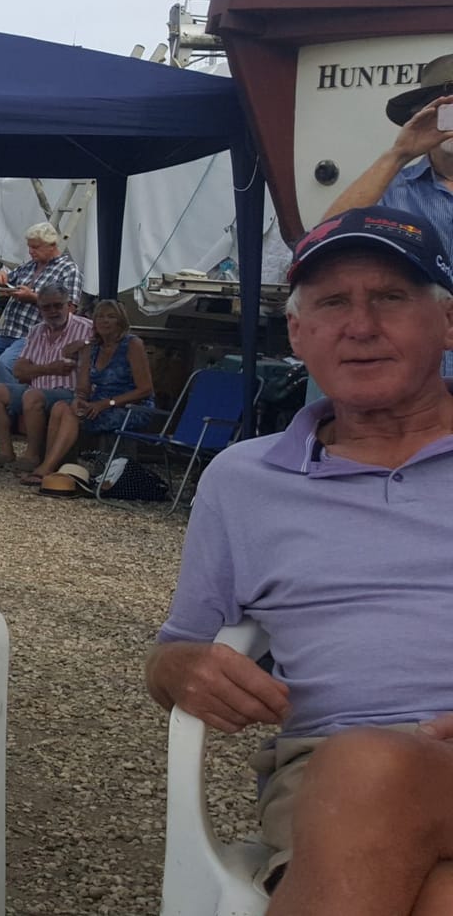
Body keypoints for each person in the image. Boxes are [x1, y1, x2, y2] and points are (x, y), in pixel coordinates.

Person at [147, 205, 453, 913]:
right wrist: (182, 669)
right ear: (297, 332)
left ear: (447, 321)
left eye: (390, 297)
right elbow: (173, 653)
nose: (360, 326)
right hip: (326, 777)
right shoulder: (243, 481)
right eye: (332, 302)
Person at [320, 54, 453, 376]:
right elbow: (323, 241)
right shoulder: (389, 190)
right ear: (421, 115)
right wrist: (398, 154)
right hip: (416, 376)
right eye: (446, 110)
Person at [21, 299, 153, 486]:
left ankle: (46, 469)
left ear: (121, 321)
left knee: (71, 415)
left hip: (129, 405)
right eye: (100, 317)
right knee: (61, 407)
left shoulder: (132, 344)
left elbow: (145, 389)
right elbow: (83, 388)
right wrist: (79, 399)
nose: (105, 321)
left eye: (111, 317)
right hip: (98, 403)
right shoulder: (92, 347)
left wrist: (106, 404)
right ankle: (52, 467)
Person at [0, 222, 82, 426]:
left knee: (5, 363)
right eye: (29, 247)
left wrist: (34, 297)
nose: (31, 251)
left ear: (51, 245)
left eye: (35, 247)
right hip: (9, 330)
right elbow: (5, 282)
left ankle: (15, 416)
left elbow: (69, 309)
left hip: (33, 334)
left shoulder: (68, 270)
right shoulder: (29, 266)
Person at [0, 285, 90, 469]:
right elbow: (19, 371)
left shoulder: (86, 329)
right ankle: (5, 452)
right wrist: (50, 368)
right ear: (39, 309)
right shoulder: (37, 330)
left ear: (69, 306)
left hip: (68, 392)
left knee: (32, 396)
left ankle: (32, 455)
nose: (52, 311)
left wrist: (85, 344)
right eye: (46, 307)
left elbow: (109, 344)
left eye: (57, 305)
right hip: (35, 388)